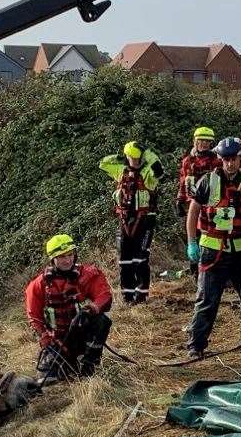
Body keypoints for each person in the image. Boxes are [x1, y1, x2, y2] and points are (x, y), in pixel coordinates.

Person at [184, 137, 241, 357]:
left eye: (234, 159)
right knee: (207, 298)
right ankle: (196, 345)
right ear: (220, 159)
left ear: (240, 158)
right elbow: (193, 212)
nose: (230, 163)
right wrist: (191, 242)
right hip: (213, 250)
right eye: (226, 159)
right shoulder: (207, 181)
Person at [25, 234, 113, 382]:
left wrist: (90, 310)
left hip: (81, 333)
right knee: (48, 380)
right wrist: (46, 340)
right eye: (62, 257)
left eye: (70, 255)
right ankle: (64, 363)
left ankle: (89, 365)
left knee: (101, 320)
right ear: (53, 259)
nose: (68, 260)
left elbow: (104, 296)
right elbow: (34, 317)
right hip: (57, 340)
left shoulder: (87, 274)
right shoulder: (38, 285)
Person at [99, 141, 162, 304]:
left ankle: (141, 296)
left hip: (144, 220)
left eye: (137, 157)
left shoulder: (147, 172)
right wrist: (119, 157)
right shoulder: (120, 170)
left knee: (141, 258)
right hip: (125, 220)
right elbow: (103, 163)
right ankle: (128, 296)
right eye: (130, 157)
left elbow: (159, 171)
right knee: (125, 260)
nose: (134, 160)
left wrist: (147, 152)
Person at [177, 126, 219, 274]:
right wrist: (180, 199)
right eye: (200, 140)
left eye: (207, 141)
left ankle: (211, 270)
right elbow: (183, 181)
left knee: (209, 237)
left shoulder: (216, 161)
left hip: (211, 206)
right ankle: (194, 271)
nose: (203, 144)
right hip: (192, 206)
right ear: (195, 141)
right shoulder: (188, 161)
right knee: (193, 237)